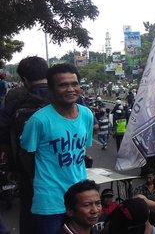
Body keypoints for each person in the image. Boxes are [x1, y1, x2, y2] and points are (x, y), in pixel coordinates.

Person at [20, 63, 95, 234]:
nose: (70, 89)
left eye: (74, 84)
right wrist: (37, 178)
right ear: (52, 89)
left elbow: (81, 151)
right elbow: (25, 155)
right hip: (50, 202)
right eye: (63, 85)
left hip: (80, 199)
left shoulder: (86, 115)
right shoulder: (38, 120)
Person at [0, 56, 49, 234]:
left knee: (30, 213)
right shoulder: (65, 94)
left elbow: (3, 134)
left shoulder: (14, 97)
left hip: (28, 171)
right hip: (65, 166)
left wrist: (11, 163)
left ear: (24, 80)